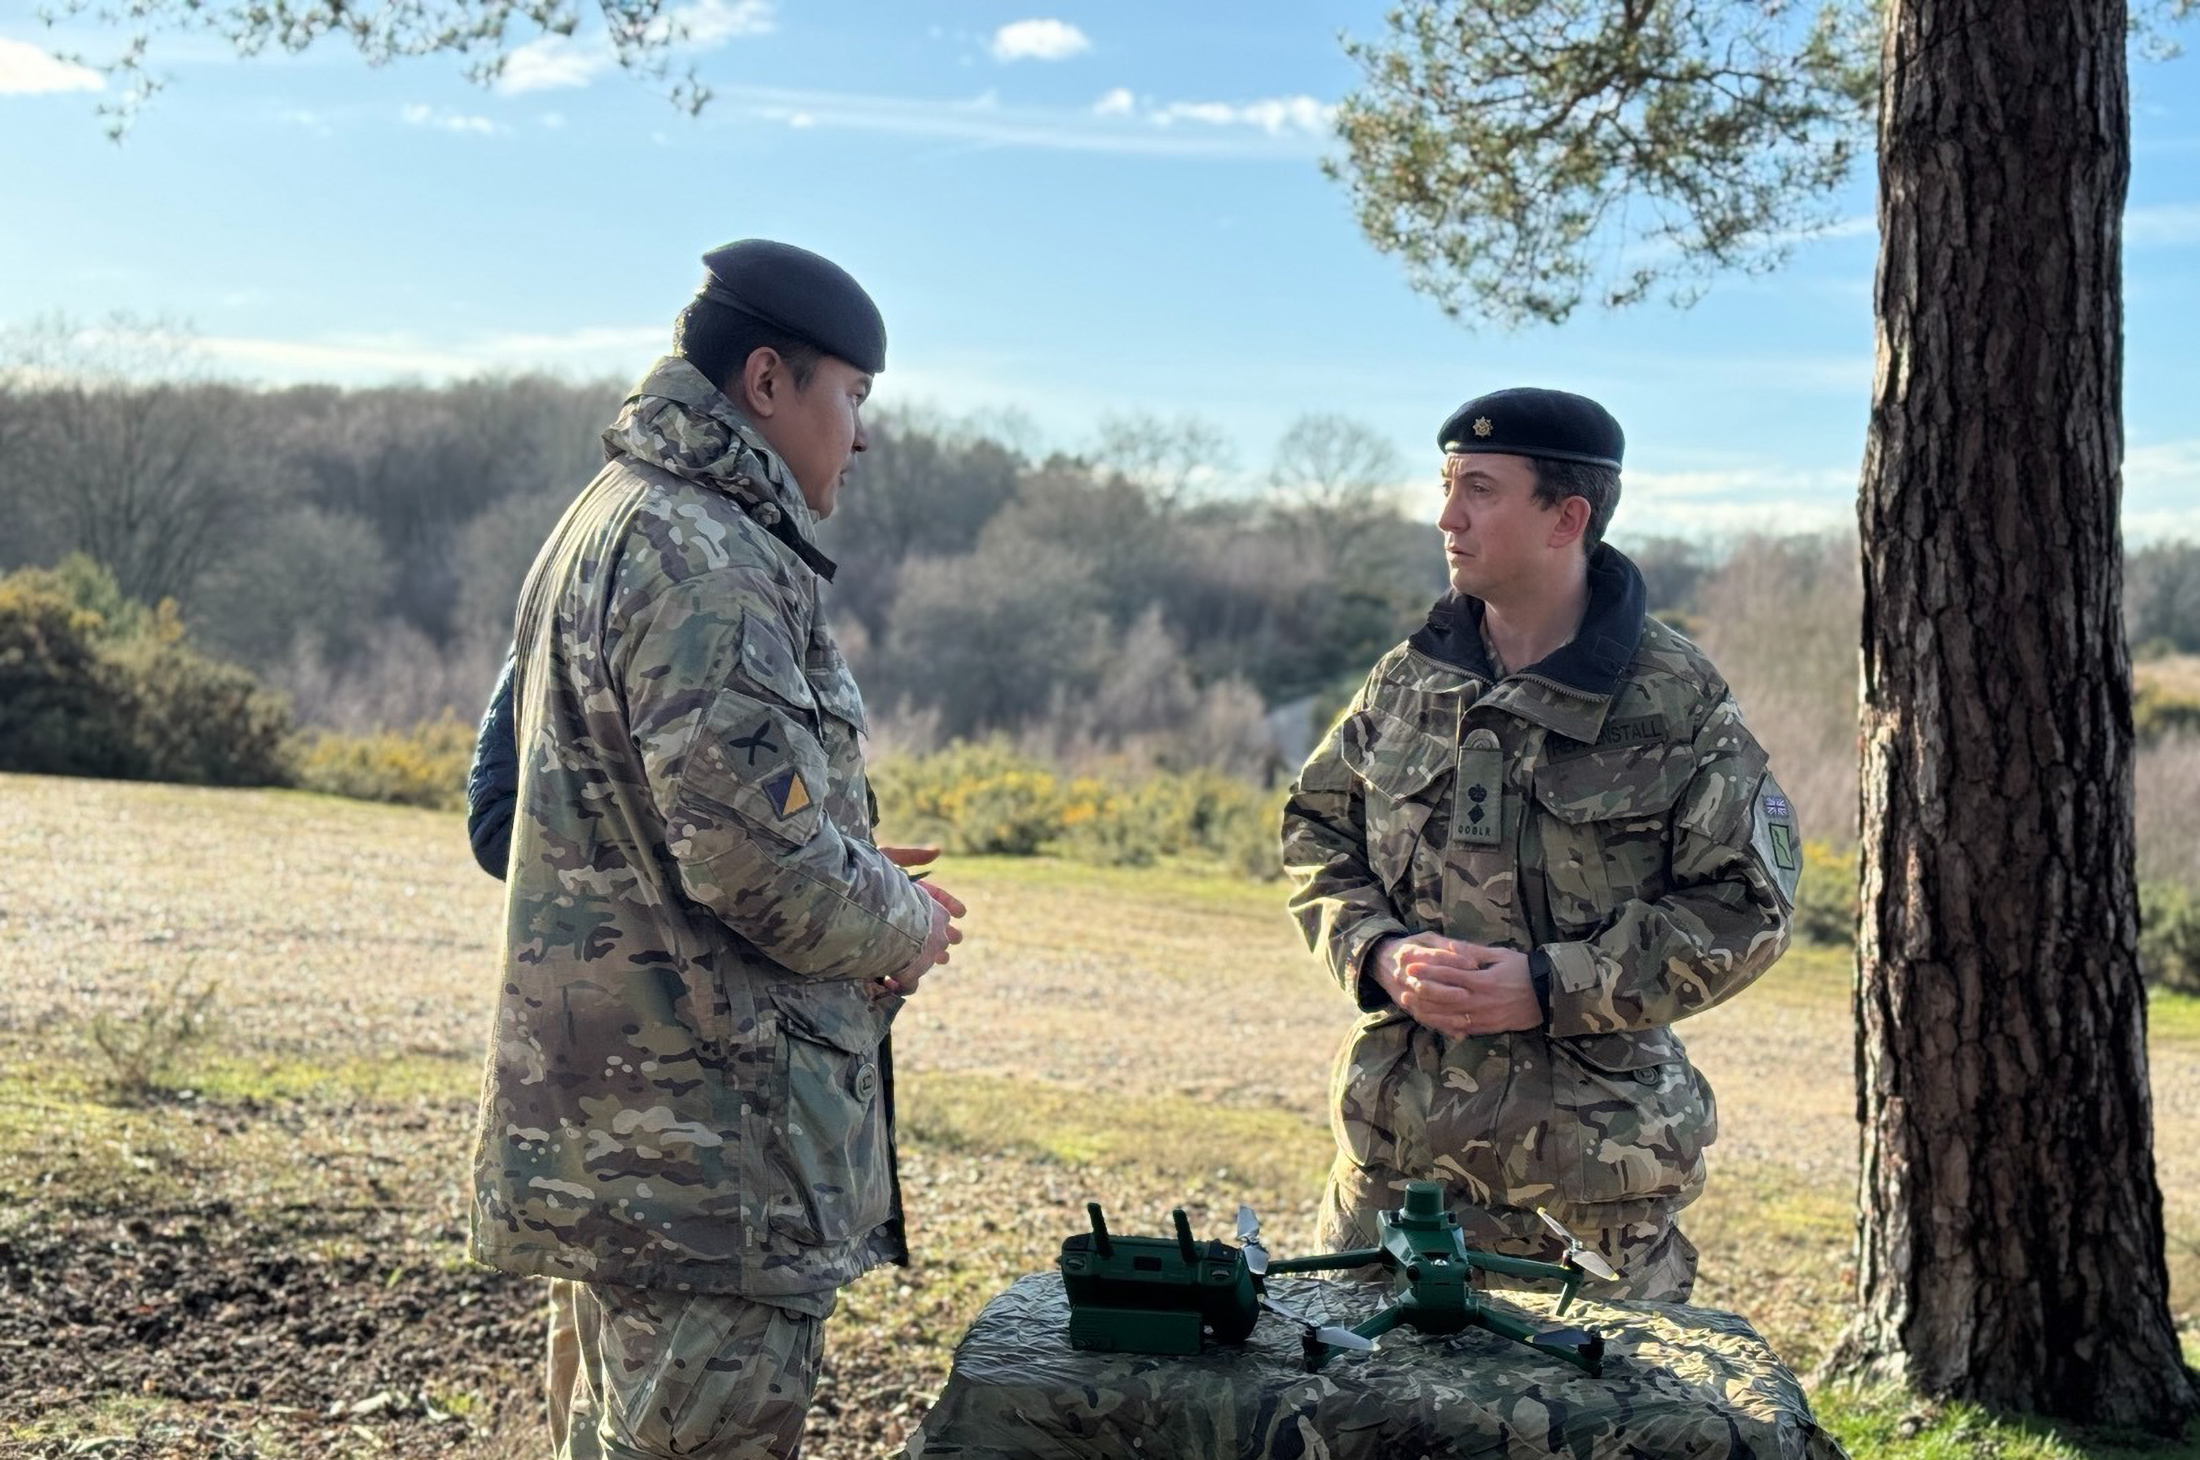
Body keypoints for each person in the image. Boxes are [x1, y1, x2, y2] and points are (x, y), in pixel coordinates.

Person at [468, 239, 965, 1460]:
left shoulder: (599, 522)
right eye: (851, 397)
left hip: (620, 1148)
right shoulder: (707, 560)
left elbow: (513, 815)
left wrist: (822, 847)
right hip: (707, 1161)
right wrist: (900, 913)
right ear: (763, 381)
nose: (862, 435)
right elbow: (760, 872)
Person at [1279, 387, 1800, 1302]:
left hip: (1589, 1203)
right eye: (1447, 484)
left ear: (1568, 516)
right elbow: (1318, 828)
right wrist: (1379, 953)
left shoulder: (1676, 703)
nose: (1447, 517)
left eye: (1479, 489)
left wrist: (1553, 985)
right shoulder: (1410, 678)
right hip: (1391, 1180)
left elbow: (1746, 907)